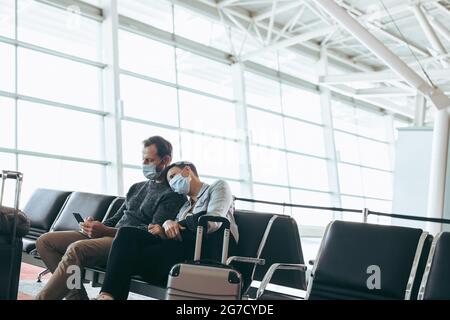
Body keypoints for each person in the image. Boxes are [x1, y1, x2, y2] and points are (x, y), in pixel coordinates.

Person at [35, 136, 186, 300]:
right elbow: (117, 217)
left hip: (123, 244)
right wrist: (95, 225)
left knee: (76, 249)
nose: (144, 164)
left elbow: (149, 234)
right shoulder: (136, 187)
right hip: (108, 234)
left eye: (150, 160)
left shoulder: (173, 195)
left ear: (166, 160)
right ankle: (76, 297)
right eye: (143, 159)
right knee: (45, 241)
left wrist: (105, 230)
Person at [94, 161, 239, 300]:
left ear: (187, 170)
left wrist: (175, 224)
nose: (172, 183)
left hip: (205, 251)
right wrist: (164, 228)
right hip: (180, 249)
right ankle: (107, 295)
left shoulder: (218, 187)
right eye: (169, 181)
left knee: (129, 257)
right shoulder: (185, 206)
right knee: (127, 233)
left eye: (172, 176)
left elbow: (213, 221)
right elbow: (174, 232)